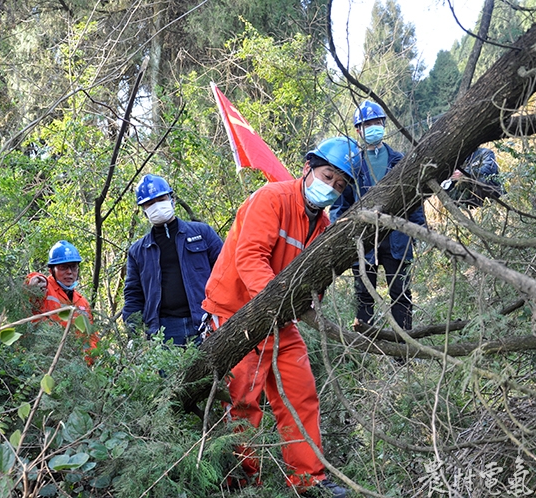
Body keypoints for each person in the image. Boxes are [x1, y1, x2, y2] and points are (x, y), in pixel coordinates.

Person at [202, 137, 360, 498]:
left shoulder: (321, 227)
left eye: (339, 185)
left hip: (280, 320)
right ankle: (243, 484)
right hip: (236, 312)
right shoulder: (271, 198)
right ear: (307, 168)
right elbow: (250, 258)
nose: (331, 188)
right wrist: (276, 303)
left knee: (301, 394)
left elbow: (312, 282)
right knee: (242, 403)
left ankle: (309, 481)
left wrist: (307, 300)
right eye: (327, 176)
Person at [330, 100, 426, 331]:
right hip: (363, 242)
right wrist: (341, 235)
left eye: (376, 122)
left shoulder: (400, 161)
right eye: (367, 124)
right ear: (358, 130)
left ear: (383, 124)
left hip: (398, 238)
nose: (373, 127)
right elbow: (340, 205)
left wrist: (418, 230)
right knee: (364, 294)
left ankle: (403, 346)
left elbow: (414, 199)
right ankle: (366, 342)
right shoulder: (352, 166)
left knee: (400, 292)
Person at [122, 174, 224, 346]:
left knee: (211, 372)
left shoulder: (202, 233)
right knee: (173, 374)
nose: (156, 206)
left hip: (205, 320)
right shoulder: (138, 251)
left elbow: (226, 272)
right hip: (164, 330)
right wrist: (133, 333)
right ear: (144, 211)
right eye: (150, 203)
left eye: (160, 199)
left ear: (172, 199)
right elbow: (133, 295)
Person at [24, 240, 99, 364]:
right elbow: (29, 286)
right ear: (51, 270)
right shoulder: (44, 289)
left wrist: (89, 361)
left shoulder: (82, 302)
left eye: (73, 267)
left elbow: (91, 337)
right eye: (63, 267)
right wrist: (35, 279)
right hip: (43, 363)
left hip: (74, 367)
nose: (69, 272)